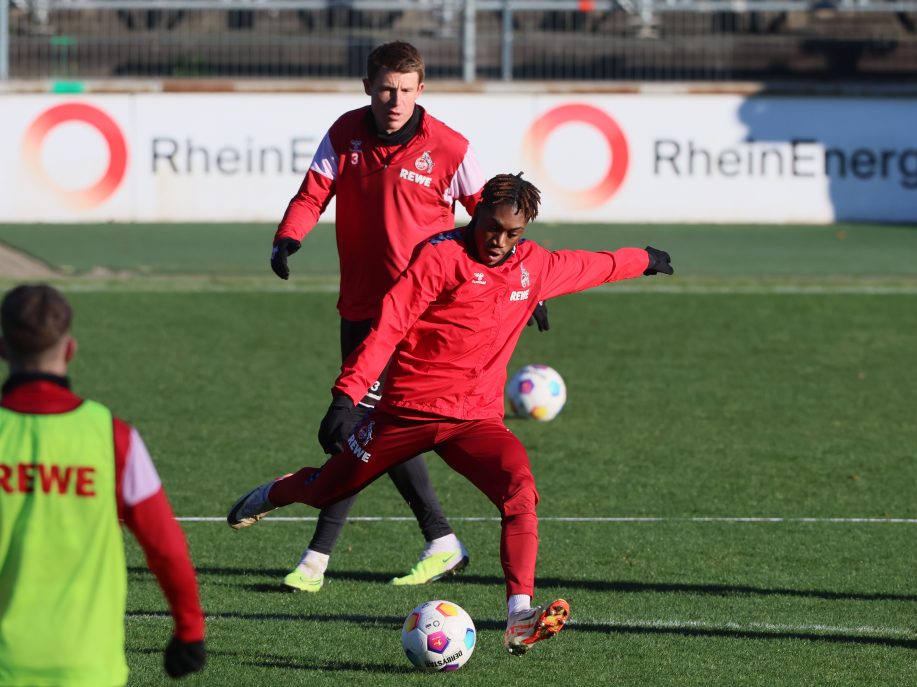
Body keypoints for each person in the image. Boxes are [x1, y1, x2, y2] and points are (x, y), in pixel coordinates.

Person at [229, 173, 673, 655]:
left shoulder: (532, 265)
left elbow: (591, 266)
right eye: (492, 227)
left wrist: (643, 260)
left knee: (520, 491)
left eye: (512, 233)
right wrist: (346, 398)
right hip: (406, 414)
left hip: (476, 421)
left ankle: (520, 615)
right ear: (475, 211)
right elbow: (388, 326)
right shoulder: (440, 256)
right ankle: (274, 492)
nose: (499, 241)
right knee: (325, 490)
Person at [268, 40, 539, 593]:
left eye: (407, 90)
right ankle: (439, 541)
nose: (395, 100)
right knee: (371, 433)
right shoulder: (344, 133)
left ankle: (317, 560)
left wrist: (530, 285)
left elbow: (495, 218)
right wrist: (289, 236)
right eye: (387, 89)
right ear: (368, 87)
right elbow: (313, 191)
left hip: (423, 316)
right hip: (362, 308)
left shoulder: (449, 147)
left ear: (422, 90)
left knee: (365, 430)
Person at [0, 284, 206, 685]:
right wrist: (189, 630)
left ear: (3, 349)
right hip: (86, 667)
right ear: (71, 349)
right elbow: (165, 545)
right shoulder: (113, 437)